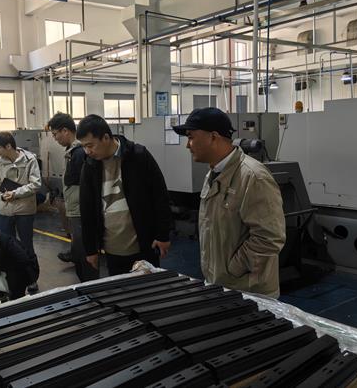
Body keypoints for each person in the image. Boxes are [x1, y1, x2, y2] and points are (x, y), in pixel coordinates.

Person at [173, 107, 286, 298]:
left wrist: (232, 269)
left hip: (248, 290)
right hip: (220, 283)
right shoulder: (214, 173)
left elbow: (269, 237)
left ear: (213, 137)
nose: (187, 145)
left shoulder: (253, 177)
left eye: (191, 137)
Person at [77, 114, 172, 276]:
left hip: (144, 245)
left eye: (90, 145)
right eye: (84, 146)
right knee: (119, 289)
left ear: (105, 137)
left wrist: (163, 235)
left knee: (149, 288)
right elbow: (87, 210)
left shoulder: (138, 156)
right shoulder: (90, 166)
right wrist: (90, 249)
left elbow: (160, 196)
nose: (87, 151)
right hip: (112, 250)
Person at [48, 113, 98, 282]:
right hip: (75, 209)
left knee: (85, 256)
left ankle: (91, 288)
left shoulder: (79, 153)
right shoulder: (72, 152)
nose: (55, 138)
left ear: (65, 131)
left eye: (55, 134)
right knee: (79, 253)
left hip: (80, 212)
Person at [0, 132, 41, 293]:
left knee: (26, 246)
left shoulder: (29, 159)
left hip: (24, 210)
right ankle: (11, 280)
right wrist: (1, 196)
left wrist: (15, 193)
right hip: (5, 210)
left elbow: (36, 184)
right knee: (6, 247)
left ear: (8, 146)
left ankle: (31, 279)